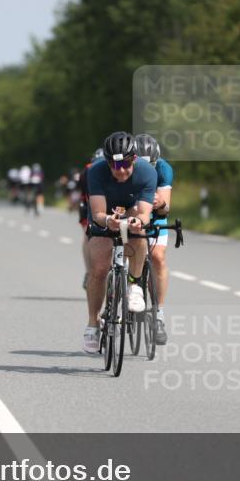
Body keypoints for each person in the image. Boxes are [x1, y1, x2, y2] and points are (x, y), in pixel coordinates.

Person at [82, 132, 157, 353]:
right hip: (105, 214)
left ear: (134, 159)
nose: (121, 170)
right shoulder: (95, 172)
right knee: (98, 269)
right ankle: (93, 324)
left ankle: (134, 286)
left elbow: (144, 213)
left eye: (125, 163)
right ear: (106, 162)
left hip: (133, 210)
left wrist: (136, 221)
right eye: (115, 165)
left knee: (139, 235)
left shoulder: (147, 172)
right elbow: (97, 212)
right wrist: (107, 220)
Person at [135, 134, 173, 345]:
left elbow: (166, 207)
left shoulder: (164, 169)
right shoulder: (124, 167)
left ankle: (158, 313)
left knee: (158, 257)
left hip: (155, 218)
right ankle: (116, 299)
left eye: (150, 165)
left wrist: (158, 203)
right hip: (131, 212)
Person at [78, 148, 105, 289]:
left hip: (89, 202)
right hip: (91, 202)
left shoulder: (87, 169)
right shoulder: (89, 171)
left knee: (88, 236)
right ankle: (90, 271)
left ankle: (89, 271)